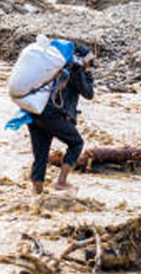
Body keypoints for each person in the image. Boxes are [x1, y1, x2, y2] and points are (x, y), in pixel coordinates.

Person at [26, 45, 95, 194]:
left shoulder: (53, 67)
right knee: (76, 143)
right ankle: (62, 182)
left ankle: (37, 192)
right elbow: (88, 93)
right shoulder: (74, 70)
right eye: (89, 62)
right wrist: (86, 74)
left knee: (41, 154)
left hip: (34, 112)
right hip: (53, 114)